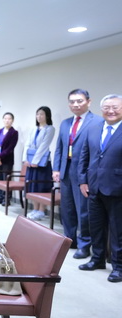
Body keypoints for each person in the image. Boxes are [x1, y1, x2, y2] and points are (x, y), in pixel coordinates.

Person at [53, 89, 102, 258]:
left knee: (83, 210)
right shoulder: (66, 123)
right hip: (66, 171)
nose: (75, 104)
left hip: (85, 173)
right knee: (67, 209)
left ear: (89, 101)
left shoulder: (97, 121)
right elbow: (59, 147)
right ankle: (69, 239)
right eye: (72, 101)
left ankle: (84, 244)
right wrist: (56, 169)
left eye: (79, 101)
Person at [78, 94, 122, 283]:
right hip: (94, 186)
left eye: (115, 107)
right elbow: (84, 156)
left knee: (118, 230)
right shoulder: (94, 128)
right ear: (101, 109)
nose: (111, 111)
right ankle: (97, 259)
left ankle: (118, 267)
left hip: (117, 188)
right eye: (107, 107)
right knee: (95, 226)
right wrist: (82, 180)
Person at [23, 106, 56, 221]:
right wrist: (25, 160)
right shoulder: (33, 129)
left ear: (47, 116)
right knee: (33, 186)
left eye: (42, 114)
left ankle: (42, 210)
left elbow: (44, 146)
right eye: (37, 114)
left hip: (42, 163)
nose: (39, 116)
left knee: (42, 186)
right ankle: (35, 209)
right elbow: (27, 144)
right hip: (31, 162)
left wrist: (35, 161)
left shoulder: (50, 129)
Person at [0, 112, 19, 205]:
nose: (7, 120)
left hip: (7, 160)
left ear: (12, 121)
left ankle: (6, 199)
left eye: (9, 119)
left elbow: (10, 148)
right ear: (3, 120)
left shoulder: (14, 133)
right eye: (5, 118)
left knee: (6, 179)